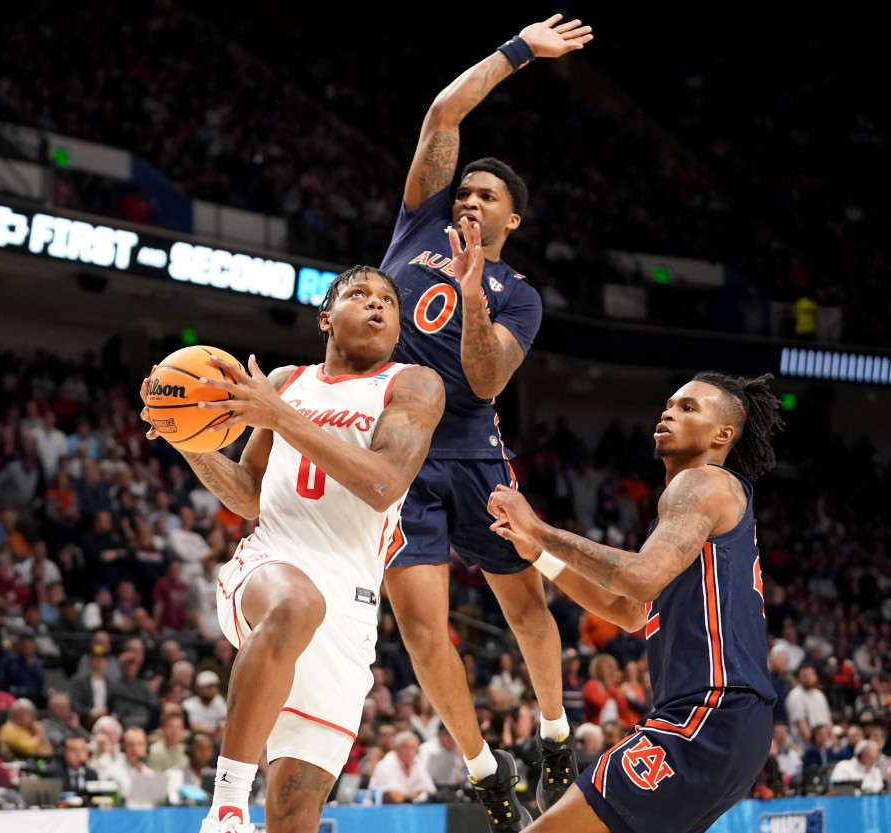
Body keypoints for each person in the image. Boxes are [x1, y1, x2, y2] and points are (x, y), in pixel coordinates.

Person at [377, 14, 592, 827]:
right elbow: (443, 116)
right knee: (424, 633)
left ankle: (554, 732)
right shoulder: (418, 224)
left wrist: (472, 287)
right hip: (398, 455)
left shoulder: (520, 295)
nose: (469, 198)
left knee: (527, 610)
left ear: (511, 222)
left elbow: (484, 375)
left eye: (486, 196)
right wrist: (518, 53)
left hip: (472, 456)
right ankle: (482, 769)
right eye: (464, 189)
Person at [140, 265, 444, 833]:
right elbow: (249, 496)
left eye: (388, 301)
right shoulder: (284, 381)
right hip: (271, 565)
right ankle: (226, 808)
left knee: (295, 816)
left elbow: (385, 483)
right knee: (296, 604)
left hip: (350, 608)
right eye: (360, 295)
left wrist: (282, 417)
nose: (377, 306)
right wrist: (186, 440)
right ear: (326, 317)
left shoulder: (413, 384)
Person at [487, 372, 784, 833]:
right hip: (734, 727)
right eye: (669, 404)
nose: (668, 412)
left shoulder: (701, 484)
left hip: (709, 711)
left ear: (723, 434)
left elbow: (639, 579)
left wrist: (539, 527)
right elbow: (628, 611)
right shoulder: (688, 512)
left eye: (689, 408)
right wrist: (539, 554)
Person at [368, 730, 438, 804]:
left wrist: (408, 795)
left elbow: (431, 792)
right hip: (382, 810)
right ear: (396, 748)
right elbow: (396, 797)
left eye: (413, 748)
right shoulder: (387, 764)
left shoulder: (418, 763)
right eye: (405, 748)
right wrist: (418, 794)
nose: (409, 752)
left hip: (408, 809)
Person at [105, 726, 151, 797]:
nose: (135, 749)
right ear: (123, 747)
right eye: (130, 745)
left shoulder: (150, 773)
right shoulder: (113, 773)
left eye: (140, 744)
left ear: (146, 747)